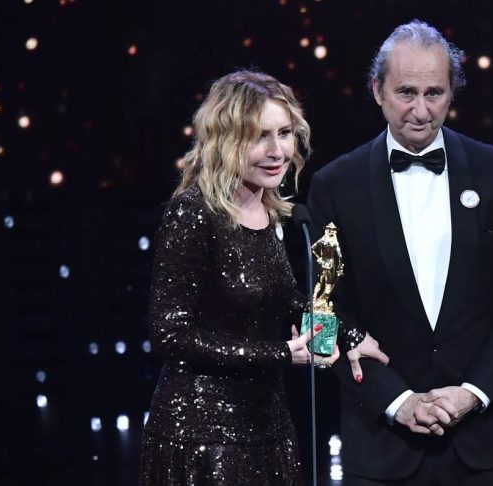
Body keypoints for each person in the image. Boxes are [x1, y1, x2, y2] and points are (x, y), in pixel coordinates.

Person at [307, 20, 493, 485]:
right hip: (381, 444)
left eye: (434, 93)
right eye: (406, 93)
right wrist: (397, 401)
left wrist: (474, 392)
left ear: (452, 91)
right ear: (377, 90)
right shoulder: (335, 185)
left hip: (487, 444)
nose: (420, 110)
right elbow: (321, 310)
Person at [139, 70, 344, 485]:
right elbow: (170, 334)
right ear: (226, 141)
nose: (277, 151)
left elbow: (283, 299)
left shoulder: (269, 209)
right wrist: (281, 353)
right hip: (202, 439)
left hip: (268, 428)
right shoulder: (192, 213)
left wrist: (348, 335)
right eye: (259, 136)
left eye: (284, 133)